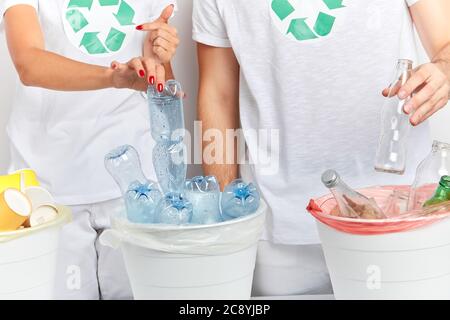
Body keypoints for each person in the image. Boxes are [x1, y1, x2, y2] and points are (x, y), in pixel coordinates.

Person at [193, 0, 450, 296]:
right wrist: (229, 216)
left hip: (398, 217)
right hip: (277, 228)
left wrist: (443, 71)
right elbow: (217, 93)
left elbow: (445, 44)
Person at [1, 0, 179, 299]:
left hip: (133, 187)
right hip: (50, 190)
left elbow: (164, 86)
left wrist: (158, 59)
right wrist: (113, 78)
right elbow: (29, 64)